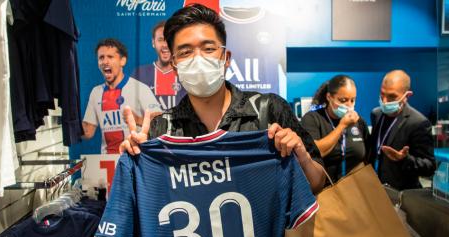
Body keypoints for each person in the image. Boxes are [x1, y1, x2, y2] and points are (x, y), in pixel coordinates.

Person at [120, 4, 326, 194]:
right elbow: (149, 200)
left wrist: (302, 156)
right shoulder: (161, 130)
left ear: (226, 58)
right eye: (185, 52)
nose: (198, 59)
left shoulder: (268, 109)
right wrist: (136, 161)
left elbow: (317, 184)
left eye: (208, 49)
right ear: (174, 65)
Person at [82, 38, 162, 154]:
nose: (105, 61)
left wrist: (138, 120)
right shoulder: (96, 92)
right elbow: (88, 132)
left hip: (137, 157)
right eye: (101, 57)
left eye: (110, 57)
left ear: (122, 61)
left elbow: (161, 124)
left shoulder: (140, 88)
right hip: (107, 162)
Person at [368, 70, 435, 190]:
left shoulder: (418, 122)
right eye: (382, 94)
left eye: (392, 97)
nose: (384, 101)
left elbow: (430, 167)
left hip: (401, 193)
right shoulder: (376, 114)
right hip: (375, 189)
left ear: (407, 96)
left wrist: (405, 159)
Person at [301, 75, 370, 182]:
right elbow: (315, 152)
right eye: (343, 100)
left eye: (352, 100)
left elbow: (367, 157)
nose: (349, 105)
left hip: (356, 189)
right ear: (329, 97)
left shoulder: (359, 122)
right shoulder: (312, 119)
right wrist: (341, 126)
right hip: (325, 190)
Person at [131, 21, 186, 111]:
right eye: (160, 40)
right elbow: (131, 111)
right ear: (153, 42)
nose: (165, 45)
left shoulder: (186, 72)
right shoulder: (139, 74)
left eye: (169, 40)